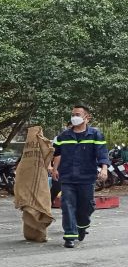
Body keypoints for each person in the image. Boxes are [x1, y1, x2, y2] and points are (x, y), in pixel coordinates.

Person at [49, 104, 109, 248]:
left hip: (87, 177)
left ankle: (82, 225)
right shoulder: (63, 135)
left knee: (87, 205)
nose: (74, 117)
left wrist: (104, 169)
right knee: (67, 204)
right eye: (73, 114)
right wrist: (54, 168)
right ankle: (69, 235)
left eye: (77, 114)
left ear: (86, 118)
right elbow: (57, 153)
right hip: (67, 176)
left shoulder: (95, 134)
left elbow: (102, 153)